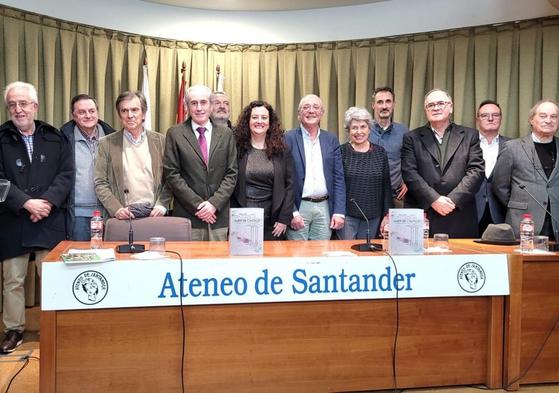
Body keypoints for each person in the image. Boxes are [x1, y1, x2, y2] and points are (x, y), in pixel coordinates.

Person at [0, 81, 72, 353]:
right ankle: (14, 329)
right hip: (12, 218)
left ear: (35, 107)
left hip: (49, 218)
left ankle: (51, 325)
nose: (19, 110)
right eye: (13, 105)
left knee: (52, 276)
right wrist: (26, 203)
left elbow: (66, 175)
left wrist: (47, 203)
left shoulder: (54, 136)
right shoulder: (1, 138)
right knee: (13, 280)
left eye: (23, 103)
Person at [401, 88, 484, 238]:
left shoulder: (470, 135)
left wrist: (452, 200)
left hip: (459, 213)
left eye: (441, 103)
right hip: (424, 213)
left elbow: (476, 171)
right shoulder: (411, 138)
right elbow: (409, 173)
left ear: (451, 107)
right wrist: (434, 199)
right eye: (431, 105)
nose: (436, 108)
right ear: (425, 110)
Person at [164, 85, 237, 241]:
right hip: (189, 218)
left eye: (203, 102)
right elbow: (172, 175)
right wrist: (199, 206)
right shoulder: (175, 134)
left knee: (219, 262)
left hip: (218, 217)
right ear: (186, 107)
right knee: (189, 264)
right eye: (193, 103)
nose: (199, 108)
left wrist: (213, 204)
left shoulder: (226, 134)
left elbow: (232, 174)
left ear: (211, 106)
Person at [94, 91, 171, 220]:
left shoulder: (161, 141)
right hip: (122, 217)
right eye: (124, 111)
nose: (130, 115)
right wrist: (116, 209)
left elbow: (170, 179)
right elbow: (100, 182)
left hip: (155, 215)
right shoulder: (106, 143)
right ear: (119, 115)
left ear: (144, 113)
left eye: (134, 110)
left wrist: (162, 205)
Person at [493, 100, 559, 239]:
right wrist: (518, 205)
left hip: (555, 223)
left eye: (554, 116)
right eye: (543, 116)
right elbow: (500, 186)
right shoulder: (512, 147)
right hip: (523, 224)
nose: (549, 120)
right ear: (531, 119)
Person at [285, 94, 345, 240]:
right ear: (299, 114)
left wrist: (339, 212)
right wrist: (292, 211)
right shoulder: (288, 138)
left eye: (315, 107)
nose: (311, 111)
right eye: (306, 107)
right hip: (299, 207)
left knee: (321, 256)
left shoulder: (331, 139)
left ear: (322, 113)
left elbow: (338, 177)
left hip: (324, 207)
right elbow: (282, 179)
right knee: (297, 257)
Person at [232, 100, 294, 240]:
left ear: (270, 122)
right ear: (248, 121)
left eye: (264, 118)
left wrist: (284, 218)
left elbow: (289, 186)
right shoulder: (236, 147)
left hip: (273, 222)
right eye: (254, 117)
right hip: (242, 219)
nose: (259, 121)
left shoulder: (282, 149)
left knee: (271, 261)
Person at [61, 94, 115, 240]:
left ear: (97, 112)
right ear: (73, 116)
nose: (88, 115)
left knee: (111, 259)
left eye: (91, 111)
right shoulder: (63, 140)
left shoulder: (113, 139)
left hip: (110, 213)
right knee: (81, 259)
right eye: (82, 112)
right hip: (78, 215)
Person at [338, 107, 391, 240]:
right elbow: (336, 186)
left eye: (363, 127)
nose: (359, 131)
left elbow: (386, 187)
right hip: (347, 216)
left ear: (369, 129)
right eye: (354, 127)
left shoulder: (380, 153)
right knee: (347, 255)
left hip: (374, 216)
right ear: (348, 131)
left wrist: (387, 215)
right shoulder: (341, 152)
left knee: (368, 255)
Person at [368, 86, 409, 208]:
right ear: (373, 105)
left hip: (396, 196)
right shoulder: (364, 131)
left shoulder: (404, 132)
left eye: (388, 101)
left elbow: (412, 162)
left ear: (393, 104)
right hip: (369, 196)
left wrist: (408, 182)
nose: (384, 106)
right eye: (380, 102)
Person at [474, 100, 510, 236]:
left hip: (501, 212)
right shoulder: (465, 144)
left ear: (501, 118)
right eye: (485, 115)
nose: (490, 118)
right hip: (471, 212)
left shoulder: (512, 146)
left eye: (495, 115)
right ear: (477, 119)